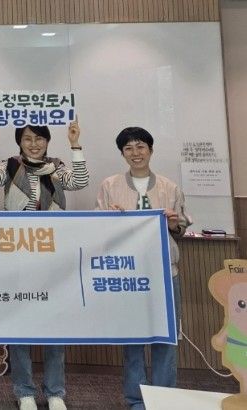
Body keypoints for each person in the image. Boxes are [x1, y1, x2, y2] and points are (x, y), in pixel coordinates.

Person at [0, 115, 88, 410]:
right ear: (20, 142)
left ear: (47, 141)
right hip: (18, 256)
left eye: (39, 138)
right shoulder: (11, 166)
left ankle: (55, 392)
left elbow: (80, 181)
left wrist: (75, 144)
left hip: (53, 255)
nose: (33, 144)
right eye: (27, 139)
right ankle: (24, 391)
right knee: (20, 324)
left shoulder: (57, 168)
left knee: (54, 324)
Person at [95, 127, 190, 410]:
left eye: (140, 147)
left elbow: (181, 226)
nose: (135, 153)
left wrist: (173, 223)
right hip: (129, 274)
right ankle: (136, 399)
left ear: (150, 150)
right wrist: (109, 218)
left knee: (166, 338)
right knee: (133, 338)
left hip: (164, 272)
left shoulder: (169, 187)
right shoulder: (110, 185)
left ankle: (164, 398)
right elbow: (97, 225)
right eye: (128, 148)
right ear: (122, 153)